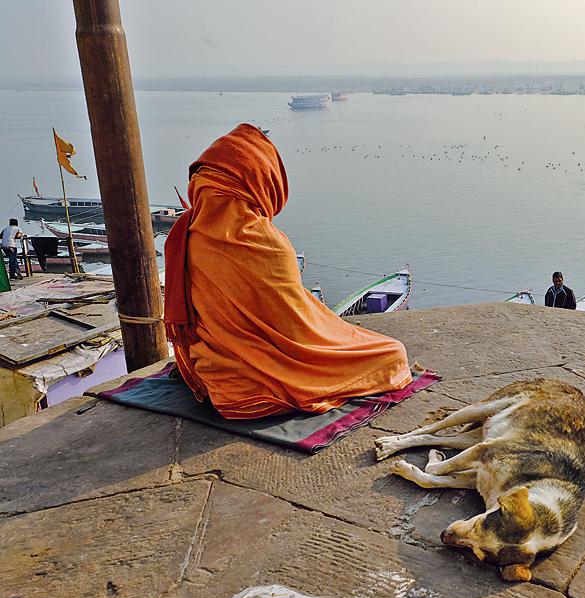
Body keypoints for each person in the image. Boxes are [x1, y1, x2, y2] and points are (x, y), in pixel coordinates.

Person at [164, 124, 413, 419]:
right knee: (392, 353)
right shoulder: (268, 245)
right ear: (261, 182)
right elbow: (297, 330)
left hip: (222, 381)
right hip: (258, 389)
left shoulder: (185, 237)